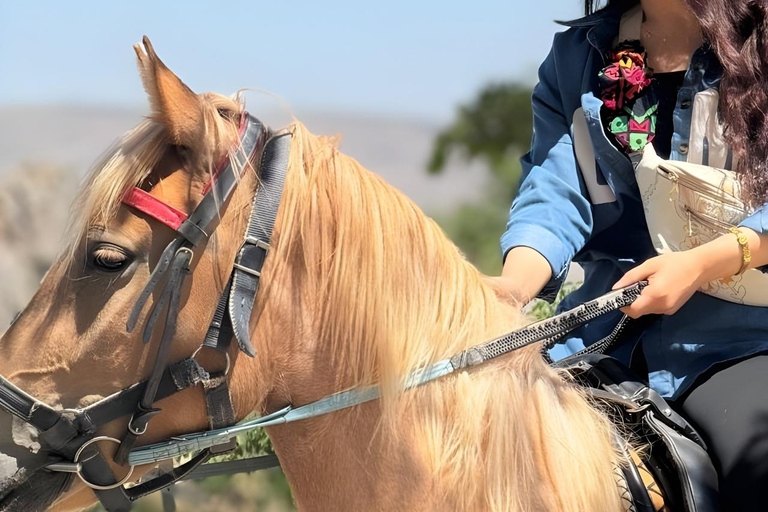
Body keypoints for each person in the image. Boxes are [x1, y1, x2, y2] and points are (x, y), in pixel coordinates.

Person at [493, 0, 768, 509]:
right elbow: (555, 193)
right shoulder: (579, 55)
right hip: (601, 336)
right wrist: (509, 291)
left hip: (742, 343)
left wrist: (701, 263)